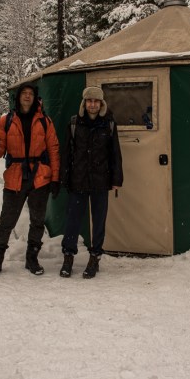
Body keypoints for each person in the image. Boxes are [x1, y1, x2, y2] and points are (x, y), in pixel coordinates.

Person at [0, 84, 60, 278]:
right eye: (24, 94)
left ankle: (32, 259)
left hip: (39, 177)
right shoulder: (6, 120)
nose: (27, 97)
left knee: (37, 221)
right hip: (15, 176)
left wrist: (55, 177)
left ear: (35, 98)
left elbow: (53, 149)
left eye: (31, 94)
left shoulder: (44, 121)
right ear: (18, 98)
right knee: (6, 221)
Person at [59, 86, 123, 279]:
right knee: (72, 221)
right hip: (78, 180)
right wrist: (65, 177)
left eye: (96, 101)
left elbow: (115, 154)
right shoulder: (74, 123)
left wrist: (117, 179)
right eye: (89, 101)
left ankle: (95, 258)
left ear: (101, 103)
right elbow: (67, 153)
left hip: (100, 181)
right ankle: (68, 257)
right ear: (84, 103)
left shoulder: (108, 124)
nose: (92, 104)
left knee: (98, 222)